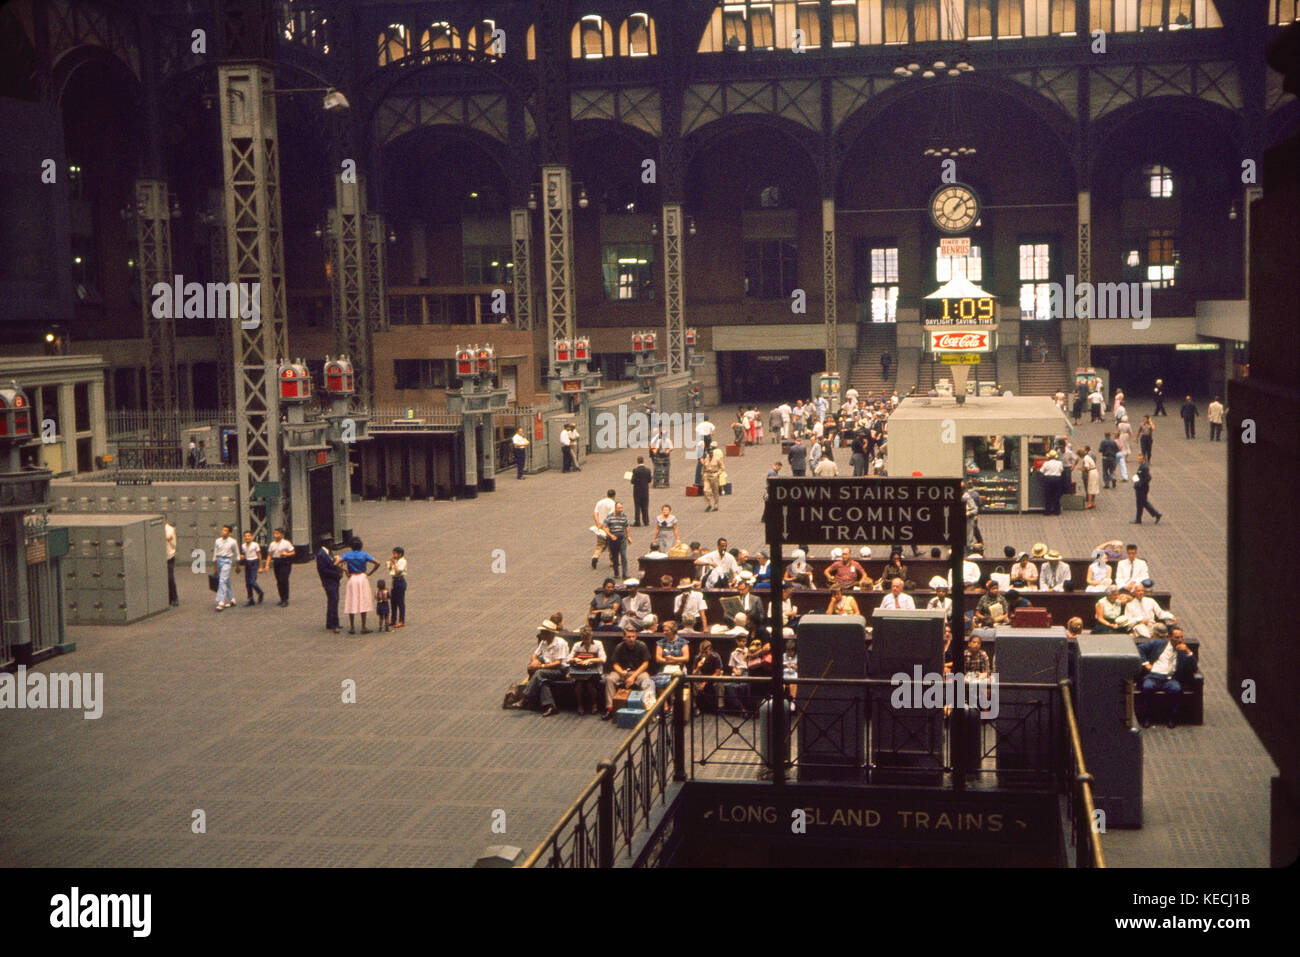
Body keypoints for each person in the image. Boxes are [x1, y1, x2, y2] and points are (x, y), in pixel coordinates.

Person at [1137, 624, 1197, 728]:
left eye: (1182, 637)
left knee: (1176, 689)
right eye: (1177, 637)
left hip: (1170, 679)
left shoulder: (1183, 651)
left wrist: (1188, 651)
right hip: (1154, 676)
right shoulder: (1158, 644)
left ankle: (1172, 718)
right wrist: (1146, 663)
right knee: (1147, 687)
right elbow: (1139, 649)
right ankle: (1147, 717)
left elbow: (1193, 667)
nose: (1180, 640)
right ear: (1169, 637)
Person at [508, 621, 571, 717]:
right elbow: (534, 654)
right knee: (542, 681)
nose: (540, 634)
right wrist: (534, 661)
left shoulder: (560, 643)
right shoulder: (544, 642)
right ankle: (550, 706)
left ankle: (525, 698)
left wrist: (540, 666)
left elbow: (558, 663)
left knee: (539, 673)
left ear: (549, 633)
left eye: (542, 632)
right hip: (548, 669)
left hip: (560, 670)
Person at [602, 628, 656, 720]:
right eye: (629, 637)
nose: (631, 639)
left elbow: (645, 664)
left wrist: (633, 677)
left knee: (647, 680)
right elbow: (615, 664)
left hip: (638, 672)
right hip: (622, 672)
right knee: (610, 679)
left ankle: (650, 709)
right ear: (624, 638)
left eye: (633, 637)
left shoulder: (642, 646)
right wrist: (622, 673)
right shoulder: (619, 647)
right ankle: (610, 708)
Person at [338, 537, 380, 634]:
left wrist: (345, 571)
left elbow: (336, 562)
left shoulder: (347, 555)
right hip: (362, 577)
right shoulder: (364, 554)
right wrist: (370, 573)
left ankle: (352, 627)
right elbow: (377, 563)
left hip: (352, 578)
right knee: (363, 600)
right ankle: (363, 626)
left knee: (351, 600)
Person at [567, 626, 607, 715]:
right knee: (579, 685)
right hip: (580, 670)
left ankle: (594, 704)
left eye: (587, 638)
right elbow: (568, 659)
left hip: (595, 670)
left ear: (591, 636)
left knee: (589, 683)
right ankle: (580, 705)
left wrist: (590, 660)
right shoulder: (577, 645)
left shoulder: (598, 644)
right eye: (584, 638)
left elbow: (603, 659)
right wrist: (574, 659)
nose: (586, 640)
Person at [263, 527, 295, 607]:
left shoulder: (286, 543)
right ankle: (281, 598)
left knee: (283, 580)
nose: (275, 535)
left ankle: (286, 599)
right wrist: (267, 565)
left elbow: (293, 552)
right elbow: (270, 555)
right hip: (277, 562)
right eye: (275, 533)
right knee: (278, 581)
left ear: (282, 535)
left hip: (285, 562)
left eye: (277, 533)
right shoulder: (272, 544)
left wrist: (286, 554)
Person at [690, 639, 724, 714]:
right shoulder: (698, 658)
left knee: (720, 683)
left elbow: (717, 672)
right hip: (702, 677)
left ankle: (720, 706)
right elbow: (693, 674)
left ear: (711, 650)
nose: (703, 655)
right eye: (701, 652)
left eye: (705, 652)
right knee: (691, 684)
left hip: (712, 677)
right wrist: (698, 667)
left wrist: (705, 682)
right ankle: (694, 707)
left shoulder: (715, 656)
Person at [316, 537, 341, 633]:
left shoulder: (329, 553)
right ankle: (334, 623)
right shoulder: (321, 555)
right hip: (328, 581)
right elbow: (323, 570)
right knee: (333, 600)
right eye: (330, 542)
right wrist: (336, 574)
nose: (332, 543)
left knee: (334, 600)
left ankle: (331, 622)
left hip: (334, 580)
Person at [212, 525, 239, 611]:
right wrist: (215, 567)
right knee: (226, 581)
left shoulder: (233, 542)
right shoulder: (217, 541)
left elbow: (237, 554)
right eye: (223, 530)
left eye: (226, 530)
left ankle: (221, 601)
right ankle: (232, 599)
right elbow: (215, 554)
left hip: (227, 561)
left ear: (229, 533)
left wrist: (237, 565)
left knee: (222, 580)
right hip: (219, 560)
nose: (223, 532)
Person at [602, 502, 631, 579]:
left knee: (623, 555)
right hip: (613, 539)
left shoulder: (624, 516)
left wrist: (628, 536)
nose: (621, 509)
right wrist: (611, 535)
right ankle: (616, 572)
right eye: (619, 508)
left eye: (621, 508)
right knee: (615, 556)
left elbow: (627, 526)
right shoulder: (610, 517)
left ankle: (625, 573)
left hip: (622, 538)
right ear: (615, 508)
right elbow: (604, 527)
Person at [1132, 454, 1162, 525]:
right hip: (1141, 488)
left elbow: (1148, 477)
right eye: (1138, 458)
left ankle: (1155, 514)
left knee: (1140, 503)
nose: (1138, 460)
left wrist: (1140, 483)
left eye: (1140, 459)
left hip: (1142, 489)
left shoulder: (1144, 467)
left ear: (1143, 459)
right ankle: (1139, 518)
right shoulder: (1142, 466)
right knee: (1143, 503)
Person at [591, 489, 616, 569]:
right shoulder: (613, 504)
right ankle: (612, 561)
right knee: (611, 545)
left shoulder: (600, 502)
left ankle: (595, 556)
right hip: (609, 527)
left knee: (600, 545)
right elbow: (611, 516)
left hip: (600, 527)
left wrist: (598, 523)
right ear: (614, 496)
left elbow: (595, 513)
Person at [1038, 451, 1064, 515]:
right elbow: (1061, 470)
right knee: (1056, 495)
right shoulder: (1059, 463)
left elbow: (1041, 471)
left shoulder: (1046, 463)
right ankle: (1056, 511)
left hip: (1048, 479)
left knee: (1048, 495)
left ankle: (1047, 511)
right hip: (1057, 479)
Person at [628, 456, 652, 526]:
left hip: (637, 491)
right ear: (643, 461)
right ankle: (646, 521)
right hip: (645, 491)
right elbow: (649, 480)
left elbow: (633, 481)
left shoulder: (635, 470)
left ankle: (637, 521)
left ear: (637, 461)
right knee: (645, 506)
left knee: (637, 506)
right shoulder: (648, 470)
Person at [701, 443, 725, 512]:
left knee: (715, 491)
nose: (710, 454)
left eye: (711, 452)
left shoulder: (717, 458)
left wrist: (718, 473)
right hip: (707, 475)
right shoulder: (706, 458)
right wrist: (702, 476)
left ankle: (716, 504)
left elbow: (722, 467)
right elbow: (703, 468)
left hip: (714, 475)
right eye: (709, 452)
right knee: (706, 490)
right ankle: (708, 504)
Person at [387, 547, 407, 627]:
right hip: (394, 581)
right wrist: (389, 565)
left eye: (394, 553)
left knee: (400, 602)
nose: (393, 555)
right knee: (393, 602)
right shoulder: (397, 561)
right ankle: (393, 619)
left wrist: (394, 562)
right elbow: (392, 571)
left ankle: (401, 620)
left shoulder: (402, 561)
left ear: (400, 554)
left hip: (400, 581)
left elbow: (398, 571)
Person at [164, 519, 179, 607]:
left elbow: (168, 537)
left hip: (169, 556)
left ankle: (174, 598)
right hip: (161, 557)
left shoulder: (169, 528)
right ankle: (168, 598)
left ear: (165, 520)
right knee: (164, 578)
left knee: (170, 577)